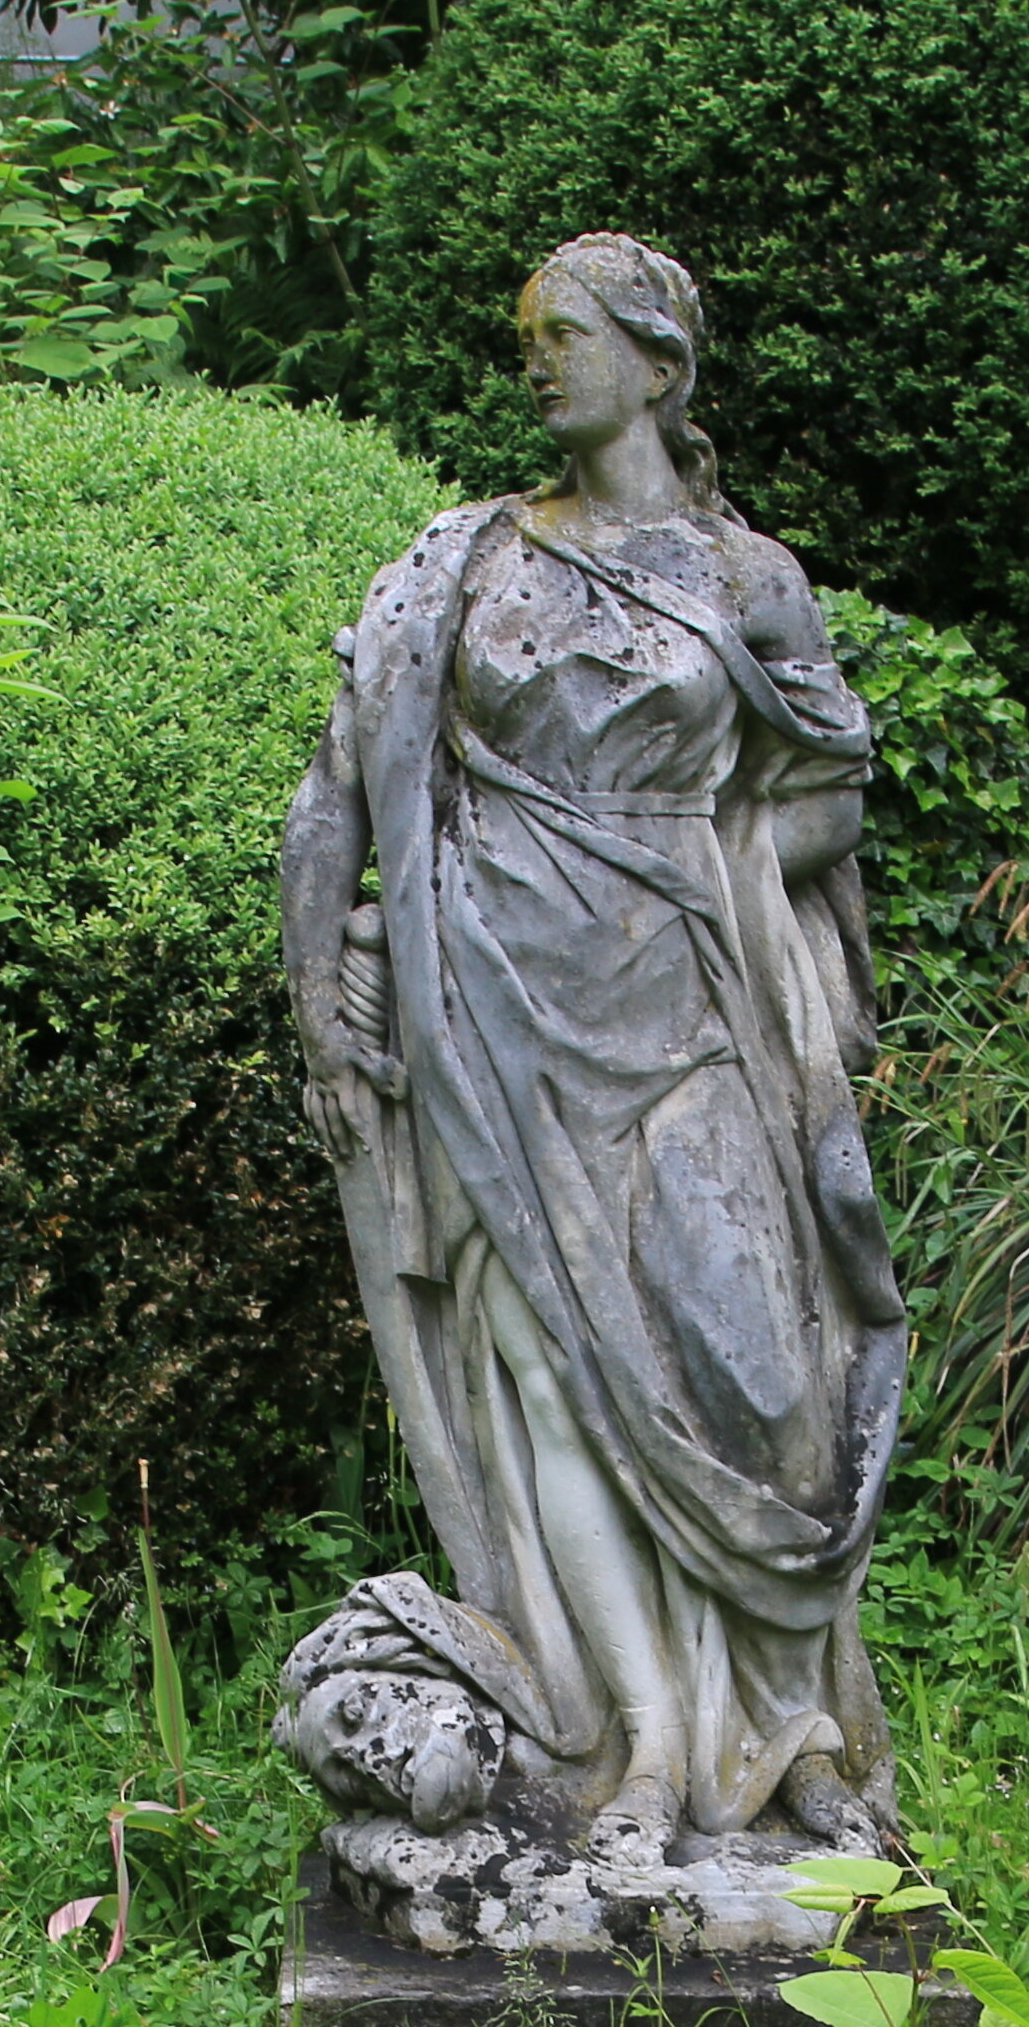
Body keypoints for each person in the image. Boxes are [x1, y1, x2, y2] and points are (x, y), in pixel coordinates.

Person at [273, 231, 906, 1918]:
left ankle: (796, 1750)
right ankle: (633, 1755)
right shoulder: (462, 563)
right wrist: (327, 998)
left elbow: (830, 786)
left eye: (570, 336)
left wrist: (719, 851)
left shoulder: (743, 576)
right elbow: (342, 791)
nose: (541, 363)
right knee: (556, 1377)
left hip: (689, 1000)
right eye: (527, 336)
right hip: (490, 1018)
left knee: (758, 1371)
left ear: (661, 363)